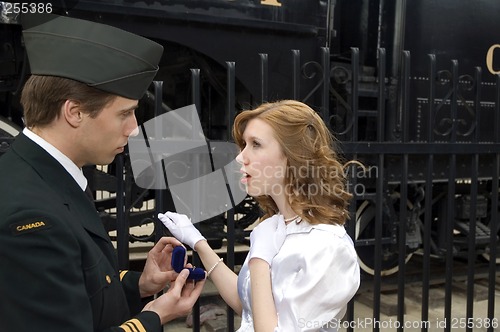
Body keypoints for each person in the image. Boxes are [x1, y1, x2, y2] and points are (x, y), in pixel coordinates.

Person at [0, 14, 205, 332]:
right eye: (124, 113)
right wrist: (153, 317)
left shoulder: (42, 177)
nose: (134, 129)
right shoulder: (29, 217)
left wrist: (141, 284)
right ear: (74, 112)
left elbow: (78, 285)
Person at [159, 100, 360, 331]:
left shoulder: (327, 248)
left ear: (293, 156)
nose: (240, 157)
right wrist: (198, 243)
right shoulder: (276, 228)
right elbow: (249, 306)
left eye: (256, 144)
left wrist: (259, 259)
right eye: (244, 144)